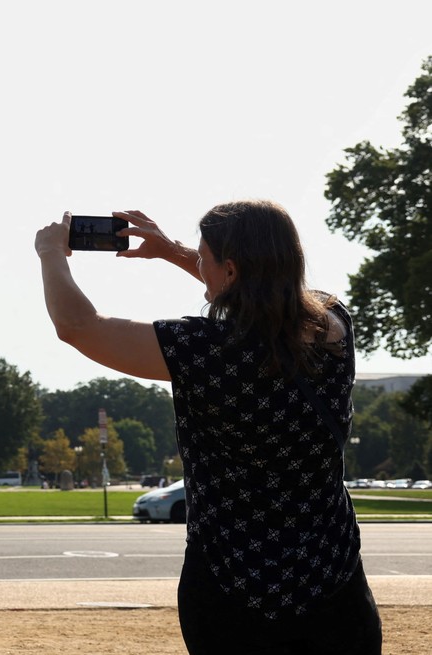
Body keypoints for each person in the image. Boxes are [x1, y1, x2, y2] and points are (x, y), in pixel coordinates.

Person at [35, 201, 381, 654]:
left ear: (231, 271)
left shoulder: (200, 348)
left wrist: (50, 253)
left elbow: (78, 326)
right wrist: (176, 252)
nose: (198, 265)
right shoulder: (335, 328)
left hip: (229, 586)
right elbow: (267, 297)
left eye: (204, 259)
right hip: (333, 582)